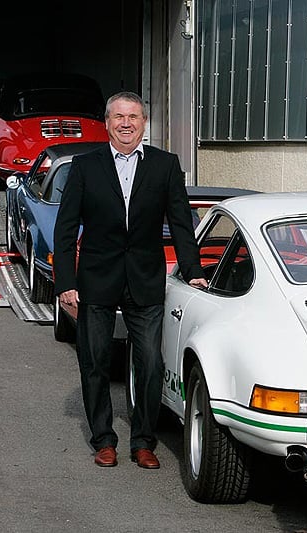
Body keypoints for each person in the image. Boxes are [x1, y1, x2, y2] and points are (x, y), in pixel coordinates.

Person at [53, 91, 208, 469]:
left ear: (144, 123)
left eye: (134, 117)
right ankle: (104, 439)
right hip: (96, 280)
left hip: (144, 279)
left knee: (151, 363)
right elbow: (65, 229)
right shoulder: (85, 167)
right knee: (95, 362)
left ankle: (143, 441)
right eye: (119, 116)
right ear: (107, 122)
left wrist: (195, 272)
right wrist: (65, 283)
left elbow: (183, 226)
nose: (126, 123)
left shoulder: (165, 165)